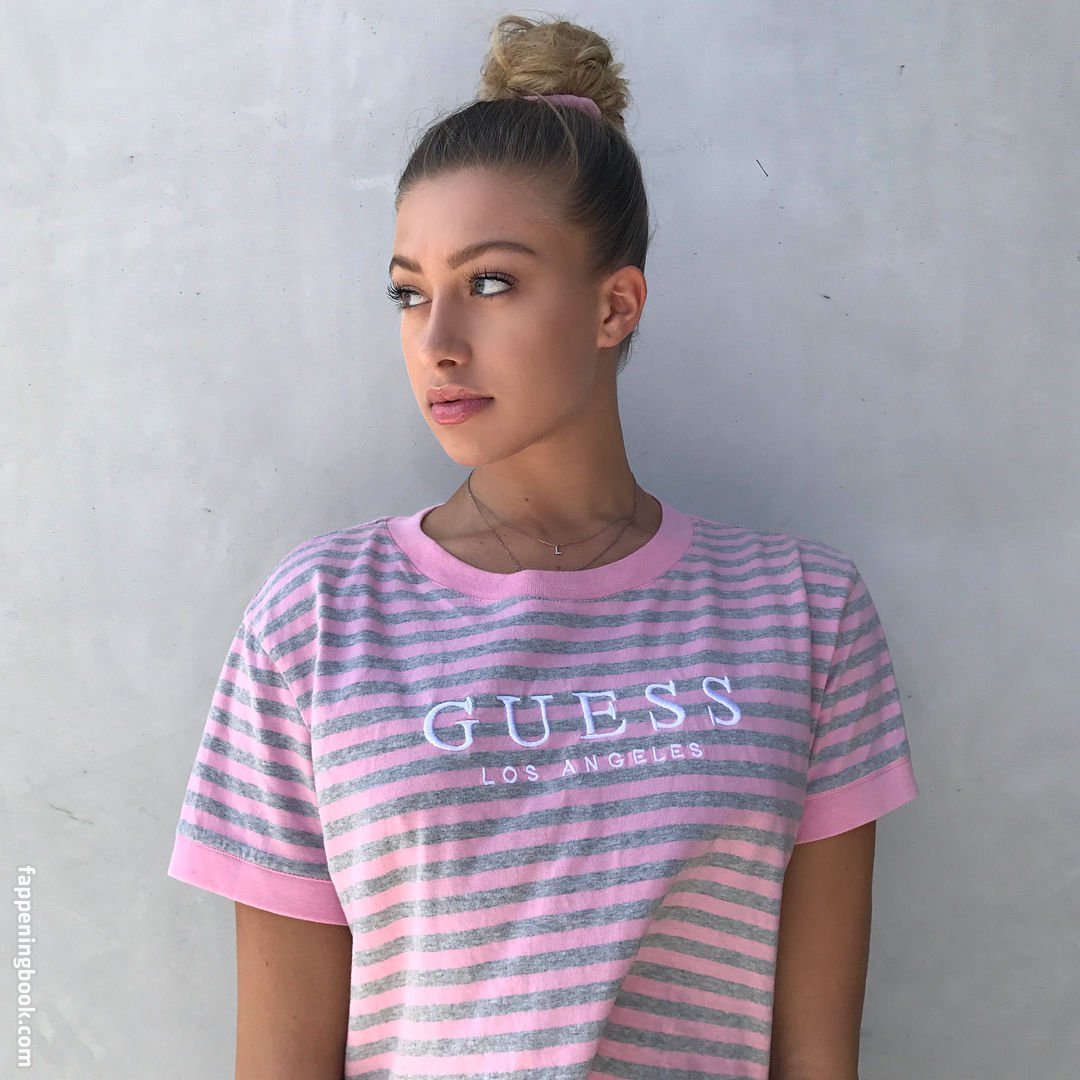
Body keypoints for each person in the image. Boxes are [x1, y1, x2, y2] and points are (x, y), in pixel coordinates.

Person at [167, 13, 919, 1080]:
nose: (436, 343)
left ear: (615, 305)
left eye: (489, 283)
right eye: (409, 293)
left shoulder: (804, 614)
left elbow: (817, 1058)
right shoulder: (318, 621)